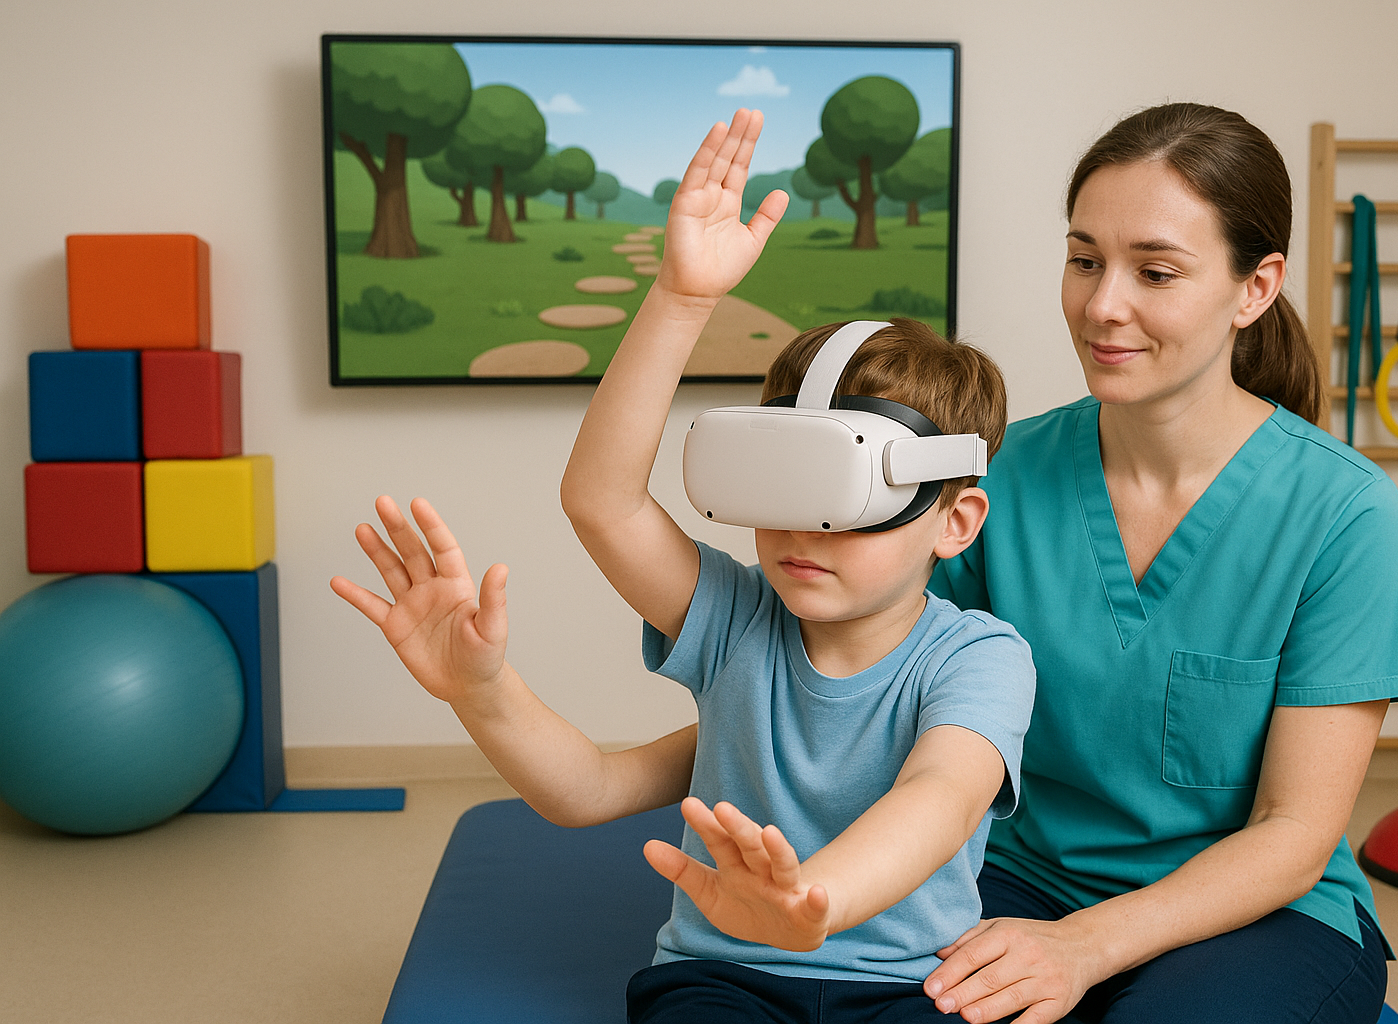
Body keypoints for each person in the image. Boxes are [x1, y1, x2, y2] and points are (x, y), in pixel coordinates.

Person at [331, 109, 1035, 1023]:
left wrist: (809, 903)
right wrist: (681, 299)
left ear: (954, 521)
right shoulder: (739, 624)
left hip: (909, 987)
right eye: (777, 486)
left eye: (847, 500)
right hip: (723, 978)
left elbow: (938, 799)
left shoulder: (979, 658)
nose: (801, 534)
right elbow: (602, 513)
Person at [916, 102, 1398, 1024]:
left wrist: (1087, 946)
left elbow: (1294, 834)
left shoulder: (1341, 510)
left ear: (1254, 288)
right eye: (1084, 261)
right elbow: (889, 678)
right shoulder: (1001, 474)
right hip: (1019, 877)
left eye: (1155, 271)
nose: (1103, 304)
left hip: (1257, 912)